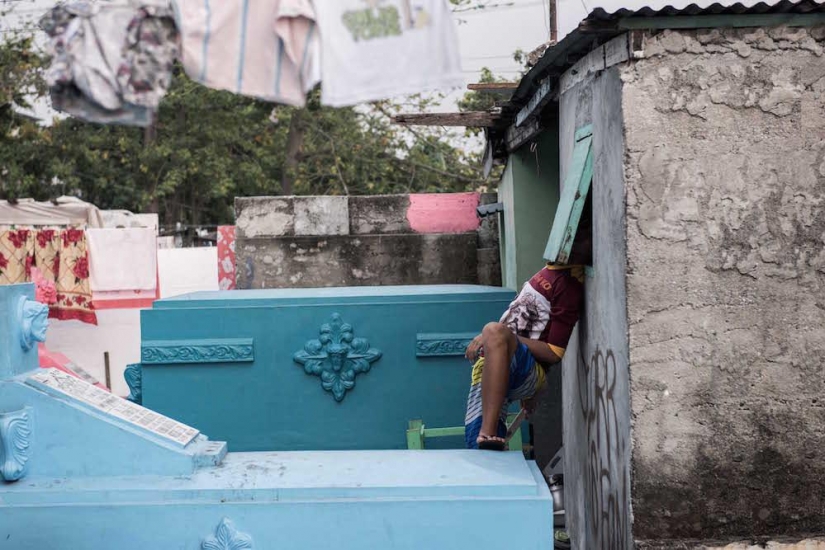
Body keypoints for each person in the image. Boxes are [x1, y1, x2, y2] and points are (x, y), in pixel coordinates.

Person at [464, 226, 592, 451]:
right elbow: (519, 322)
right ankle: (489, 438)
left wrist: (497, 335)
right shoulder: (549, 271)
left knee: (493, 329)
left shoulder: (569, 285)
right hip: (498, 363)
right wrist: (497, 336)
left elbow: (554, 352)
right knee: (477, 447)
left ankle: (489, 431)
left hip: (527, 370)